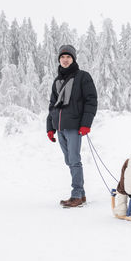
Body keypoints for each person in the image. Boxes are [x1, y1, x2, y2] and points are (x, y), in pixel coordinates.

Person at [46, 45, 97, 208]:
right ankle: (81, 195)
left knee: (74, 160)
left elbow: (91, 101)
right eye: (62, 57)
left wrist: (85, 124)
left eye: (68, 57)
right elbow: (52, 105)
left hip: (75, 126)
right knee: (69, 160)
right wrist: (50, 127)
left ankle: (76, 194)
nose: (65, 60)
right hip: (60, 127)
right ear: (59, 60)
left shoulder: (83, 77)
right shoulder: (57, 80)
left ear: (73, 59)